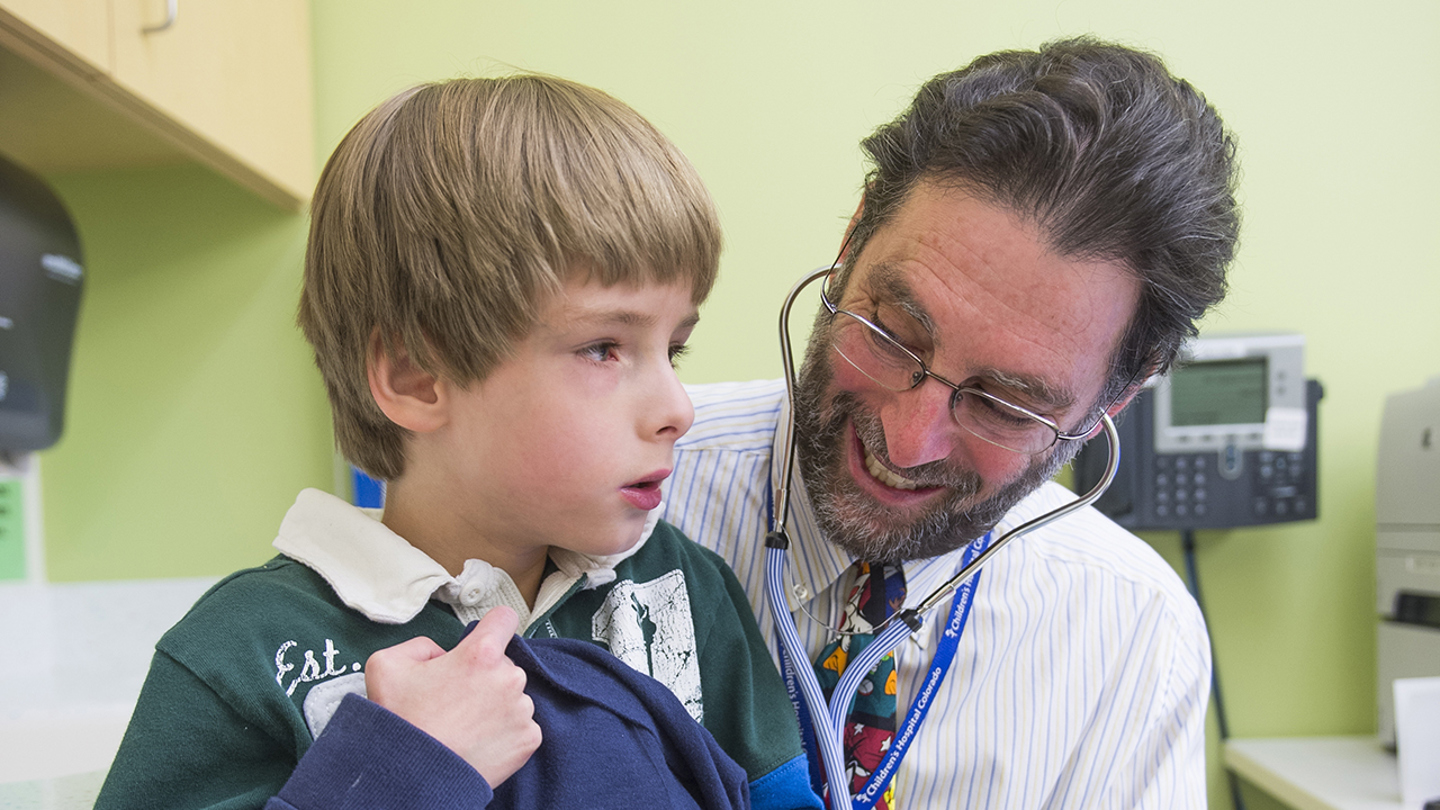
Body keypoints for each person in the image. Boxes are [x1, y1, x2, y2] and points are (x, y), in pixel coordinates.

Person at [95, 75, 819, 810]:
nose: (677, 408)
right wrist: (402, 770)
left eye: (677, 350)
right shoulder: (241, 655)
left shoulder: (685, 587)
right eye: (604, 347)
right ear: (416, 377)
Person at [661, 37, 1239, 809]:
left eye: (1005, 404)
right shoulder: (613, 494)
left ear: (1120, 395)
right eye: (893, 332)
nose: (908, 439)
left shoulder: (1137, 634)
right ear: (851, 241)